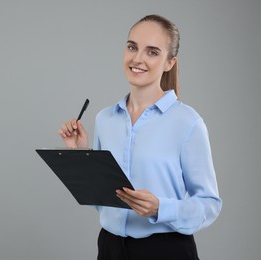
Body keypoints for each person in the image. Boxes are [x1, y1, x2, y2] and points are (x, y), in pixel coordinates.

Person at [58, 14, 222, 260]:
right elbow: (102, 201)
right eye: (132, 47)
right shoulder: (105, 119)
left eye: (152, 52)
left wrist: (160, 208)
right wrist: (81, 156)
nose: (137, 59)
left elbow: (210, 205)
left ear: (170, 62)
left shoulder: (188, 123)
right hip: (110, 248)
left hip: (166, 250)